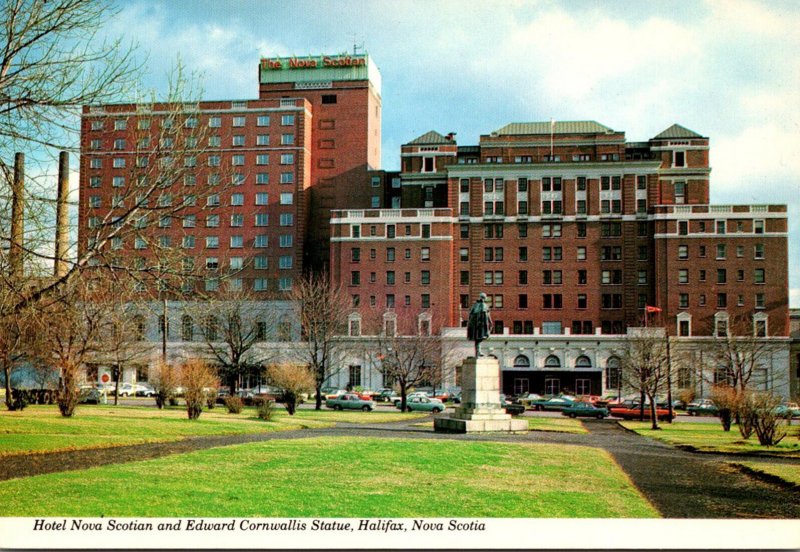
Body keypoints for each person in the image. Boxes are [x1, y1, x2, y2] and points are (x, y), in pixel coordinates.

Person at [467, 292, 492, 357]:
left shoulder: (476, 305)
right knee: (478, 339)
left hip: (478, 325)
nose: (483, 299)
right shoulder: (481, 305)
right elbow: (487, 315)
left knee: (478, 339)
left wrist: (490, 322)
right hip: (479, 325)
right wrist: (490, 322)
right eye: (483, 298)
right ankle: (478, 352)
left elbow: (470, 315)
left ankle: (478, 353)